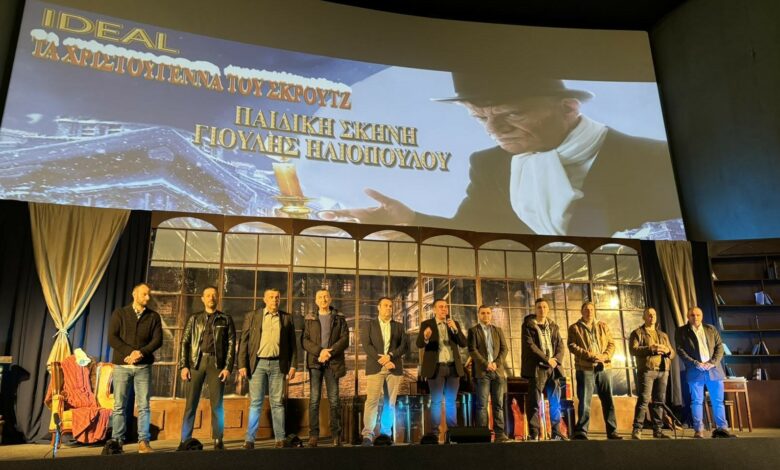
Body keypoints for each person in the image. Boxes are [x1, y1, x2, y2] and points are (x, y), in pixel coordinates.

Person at [321, 72, 680, 237]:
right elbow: (471, 233)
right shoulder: (489, 165)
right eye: (480, 117)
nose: (493, 129)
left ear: (569, 108)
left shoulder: (655, 160)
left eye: (512, 114)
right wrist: (410, 219)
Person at [177, 286, 236, 450]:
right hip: (196, 363)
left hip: (216, 364)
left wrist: (228, 367)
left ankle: (218, 440)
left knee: (217, 404)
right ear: (202, 299)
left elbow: (231, 344)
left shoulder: (225, 319)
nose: (211, 298)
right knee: (190, 404)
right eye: (208, 295)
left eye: (214, 295)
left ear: (218, 298)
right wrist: (184, 365)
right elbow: (185, 342)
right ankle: (184, 440)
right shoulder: (194, 319)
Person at [238, 288, 297, 449]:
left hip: (279, 365)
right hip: (257, 365)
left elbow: (293, 345)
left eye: (277, 297)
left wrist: (293, 365)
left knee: (277, 403)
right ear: (265, 299)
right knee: (256, 403)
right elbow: (244, 342)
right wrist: (242, 364)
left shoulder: (286, 318)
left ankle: (280, 439)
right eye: (271, 297)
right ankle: (249, 440)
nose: (274, 300)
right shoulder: (252, 316)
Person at [107, 283, 162, 453]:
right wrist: (130, 352)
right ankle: (117, 441)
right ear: (134, 294)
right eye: (144, 294)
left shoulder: (153, 316)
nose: (148, 297)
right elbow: (112, 337)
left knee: (144, 405)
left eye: (149, 294)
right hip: (122, 365)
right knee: (119, 405)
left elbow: (157, 340)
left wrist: (141, 353)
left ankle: (143, 441)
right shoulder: (120, 313)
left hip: (143, 366)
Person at [675, 306, 736, 439]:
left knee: (718, 401)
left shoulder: (711, 329)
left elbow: (719, 347)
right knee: (696, 401)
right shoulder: (681, 331)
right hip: (695, 371)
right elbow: (680, 350)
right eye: (692, 315)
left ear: (702, 316)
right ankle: (699, 430)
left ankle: (722, 429)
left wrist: (712, 362)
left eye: (698, 315)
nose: (695, 317)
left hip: (714, 370)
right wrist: (695, 363)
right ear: (688, 317)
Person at [567, 301, 621, 440]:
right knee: (585, 401)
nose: (589, 312)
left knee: (608, 400)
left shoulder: (603, 326)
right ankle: (582, 431)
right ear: (581, 311)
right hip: (585, 368)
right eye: (586, 309)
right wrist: (590, 356)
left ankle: (612, 431)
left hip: (604, 367)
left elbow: (611, 344)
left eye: (591, 309)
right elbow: (572, 345)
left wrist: (605, 356)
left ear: (594, 311)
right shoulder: (574, 328)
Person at [301, 289, 349, 447]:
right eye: (320, 297)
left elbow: (345, 339)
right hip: (315, 362)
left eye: (326, 296)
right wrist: (320, 351)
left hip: (333, 363)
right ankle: (313, 435)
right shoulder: (309, 318)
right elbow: (304, 340)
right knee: (314, 400)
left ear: (330, 299)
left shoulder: (339, 318)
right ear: (316, 300)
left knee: (334, 400)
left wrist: (329, 353)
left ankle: (336, 435)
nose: (323, 299)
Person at [417, 299, 468, 441]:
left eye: (446, 307)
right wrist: (426, 337)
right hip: (436, 368)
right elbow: (419, 344)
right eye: (441, 307)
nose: (444, 309)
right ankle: (435, 433)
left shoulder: (453, 323)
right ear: (434, 310)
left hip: (453, 367)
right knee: (436, 401)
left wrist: (455, 330)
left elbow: (463, 343)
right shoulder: (427, 324)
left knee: (451, 401)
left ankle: (452, 433)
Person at [360, 297, 408, 445]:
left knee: (390, 403)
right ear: (379, 307)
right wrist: (382, 359)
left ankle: (386, 434)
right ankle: (368, 435)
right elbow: (366, 345)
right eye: (386, 305)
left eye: (390, 306)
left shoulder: (399, 326)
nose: (389, 308)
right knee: (372, 401)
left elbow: (404, 346)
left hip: (394, 368)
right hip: (376, 367)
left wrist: (390, 356)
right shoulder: (369, 325)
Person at [521, 298, 567, 441]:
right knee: (534, 402)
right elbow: (531, 346)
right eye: (539, 307)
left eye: (545, 307)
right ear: (535, 309)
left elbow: (561, 346)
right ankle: (534, 433)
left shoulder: (553, 326)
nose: (542, 309)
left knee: (555, 402)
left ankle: (556, 432)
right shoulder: (528, 326)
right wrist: (547, 359)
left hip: (553, 368)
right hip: (537, 368)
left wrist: (556, 360)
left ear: (548, 309)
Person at [629, 307, 674, 439]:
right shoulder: (637, 333)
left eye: (654, 314)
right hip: (647, 370)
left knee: (659, 401)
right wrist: (651, 349)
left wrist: (667, 351)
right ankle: (637, 429)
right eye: (649, 315)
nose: (652, 317)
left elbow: (672, 353)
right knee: (644, 400)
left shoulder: (663, 335)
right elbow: (633, 350)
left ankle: (658, 430)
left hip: (663, 370)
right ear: (644, 317)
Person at [467, 305, 509, 442]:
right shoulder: (473, 331)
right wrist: (486, 364)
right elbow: (472, 350)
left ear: (491, 315)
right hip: (482, 372)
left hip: (498, 372)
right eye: (483, 313)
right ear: (479, 315)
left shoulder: (498, 330)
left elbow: (504, 349)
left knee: (498, 405)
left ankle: (500, 434)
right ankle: (483, 434)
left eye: (488, 313)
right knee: (482, 405)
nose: (486, 315)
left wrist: (496, 363)